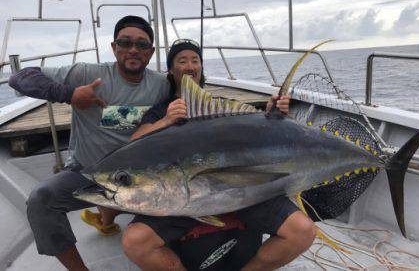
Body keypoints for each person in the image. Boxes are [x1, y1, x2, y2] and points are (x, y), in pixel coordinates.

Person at [122, 39, 316, 271]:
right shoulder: (161, 110)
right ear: (171, 70)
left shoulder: (219, 107)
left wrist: (270, 115)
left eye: (195, 60)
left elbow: (248, 133)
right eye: (182, 61)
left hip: (237, 191)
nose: (190, 66)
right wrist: (165, 121)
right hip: (181, 200)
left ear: (201, 67)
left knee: (302, 231)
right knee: (135, 242)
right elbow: (130, 151)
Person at [9, 15, 170, 271]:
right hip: (89, 174)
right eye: (125, 42)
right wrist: (69, 94)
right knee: (41, 201)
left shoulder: (161, 85)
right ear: (113, 47)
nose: (133, 49)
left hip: (142, 176)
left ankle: (107, 217)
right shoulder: (87, 73)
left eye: (141, 45)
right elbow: (21, 77)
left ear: (151, 53)